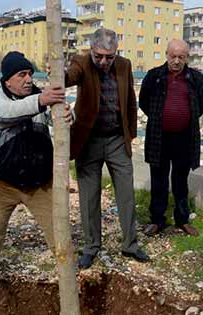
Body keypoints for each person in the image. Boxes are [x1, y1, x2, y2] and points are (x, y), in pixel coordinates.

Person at [0, 51, 71, 283]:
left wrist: (67, 116)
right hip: (4, 182)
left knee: (57, 226)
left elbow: (62, 123)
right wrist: (42, 101)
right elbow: (9, 113)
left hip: (40, 183)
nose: (28, 79)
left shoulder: (41, 97)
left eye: (30, 73)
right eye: (22, 74)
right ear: (7, 79)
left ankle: (68, 268)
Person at [65, 28, 149, 269]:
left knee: (126, 195)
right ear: (91, 49)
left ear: (116, 53)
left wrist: (129, 135)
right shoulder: (81, 62)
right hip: (88, 141)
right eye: (98, 55)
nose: (103, 61)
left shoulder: (124, 65)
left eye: (108, 57)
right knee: (89, 198)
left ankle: (130, 245)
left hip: (116, 141)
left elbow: (130, 100)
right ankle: (91, 247)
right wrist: (58, 74)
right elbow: (69, 77)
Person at [138, 39, 203, 237]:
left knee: (180, 181)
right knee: (158, 180)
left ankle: (182, 219)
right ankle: (157, 220)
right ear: (166, 54)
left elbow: (201, 105)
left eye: (181, 57)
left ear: (187, 58)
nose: (176, 61)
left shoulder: (195, 78)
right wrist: (162, 117)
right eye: (173, 56)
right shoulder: (154, 76)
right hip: (159, 137)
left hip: (185, 138)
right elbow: (144, 102)